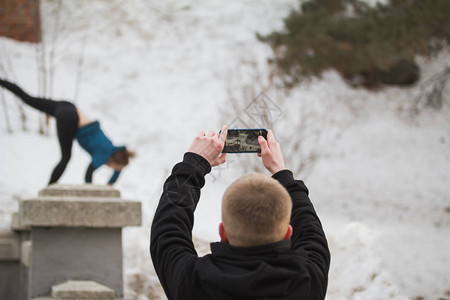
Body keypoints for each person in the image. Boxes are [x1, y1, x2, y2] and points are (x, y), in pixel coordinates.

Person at [150, 125, 330, 300]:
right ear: (288, 233)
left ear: (222, 232)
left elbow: (168, 229)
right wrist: (281, 172)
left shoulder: (192, 282)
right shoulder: (308, 282)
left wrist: (193, 164)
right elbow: (309, 228)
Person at [0, 78, 135, 185]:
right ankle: (49, 187)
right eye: (114, 168)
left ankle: (2, 82)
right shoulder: (104, 154)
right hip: (69, 118)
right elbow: (89, 173)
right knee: (66, 158)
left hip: (67, 107)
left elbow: (118, 168)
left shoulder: (111, 148)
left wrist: (111, 182)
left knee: (28, 99)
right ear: (114, 162)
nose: (113, 170)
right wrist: (92, 192)